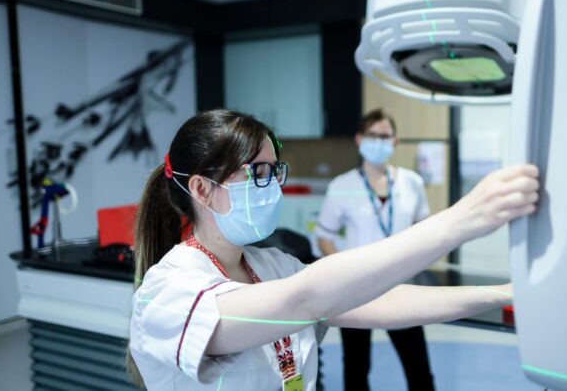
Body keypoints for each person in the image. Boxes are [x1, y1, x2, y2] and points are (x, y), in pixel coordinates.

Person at [127, 109, 539, 391]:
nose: (272, 186)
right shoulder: (168, 290)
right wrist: (461, 221)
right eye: (258, 173)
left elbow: (381, 299)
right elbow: (307, 297)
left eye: (274, 172)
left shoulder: (269, 264)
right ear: (201, 188)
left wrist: (502, 293)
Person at [316, 109, 435, 390]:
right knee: (356, 369)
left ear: (395, 142)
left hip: (401, 286)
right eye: (372, 135)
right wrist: (345, 274)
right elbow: (324, 236)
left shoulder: (412, 183)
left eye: (385, 136)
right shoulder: (342, 186)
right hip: (356, 290)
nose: (378, 141)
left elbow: (424, 228)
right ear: (359, 139)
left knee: (418, 368)